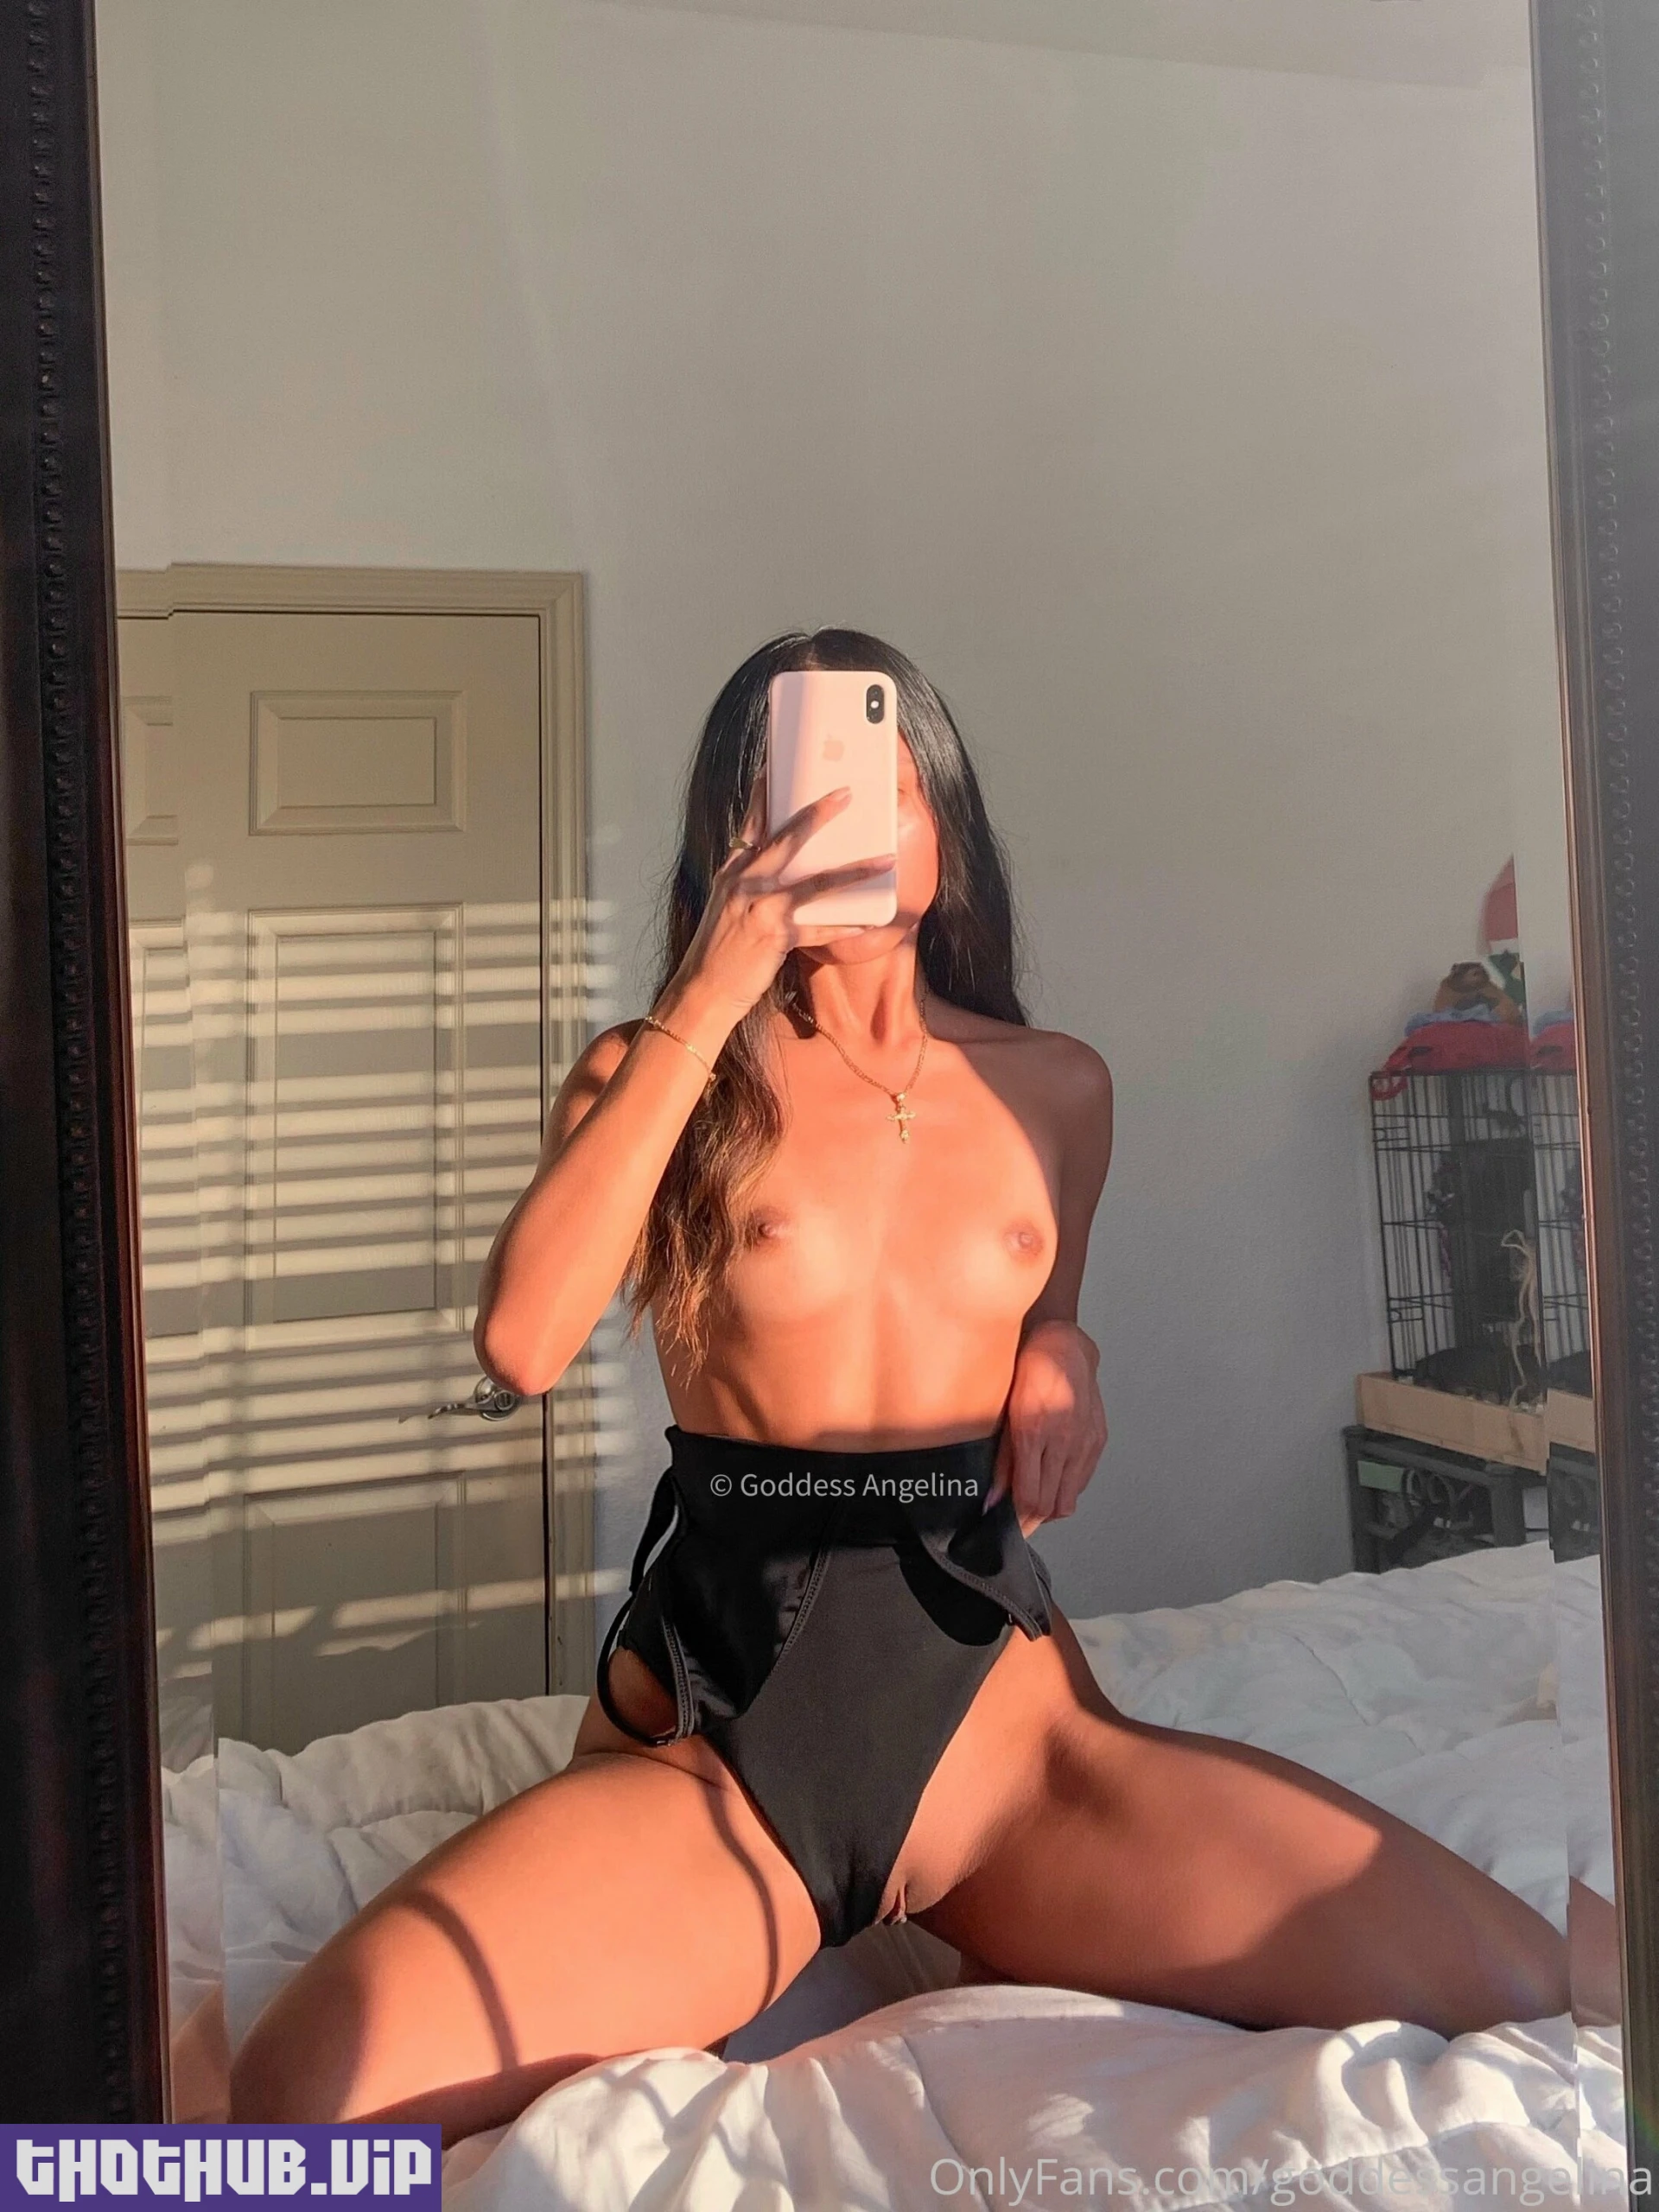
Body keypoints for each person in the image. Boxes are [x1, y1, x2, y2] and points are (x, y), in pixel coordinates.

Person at [232, 629, 1567, 2135]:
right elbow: (522, 1346)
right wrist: (713, 984)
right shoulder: (656, 1074)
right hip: (720, 1738)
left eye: (880, 787)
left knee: (1518, 1982)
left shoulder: (1058, 1087)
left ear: (942, 816)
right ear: (731, 836)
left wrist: (1067, 1347)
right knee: (300, 2103)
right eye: (793, 794)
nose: (840, 826)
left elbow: (1039, 1316)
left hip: (1003, 1738)